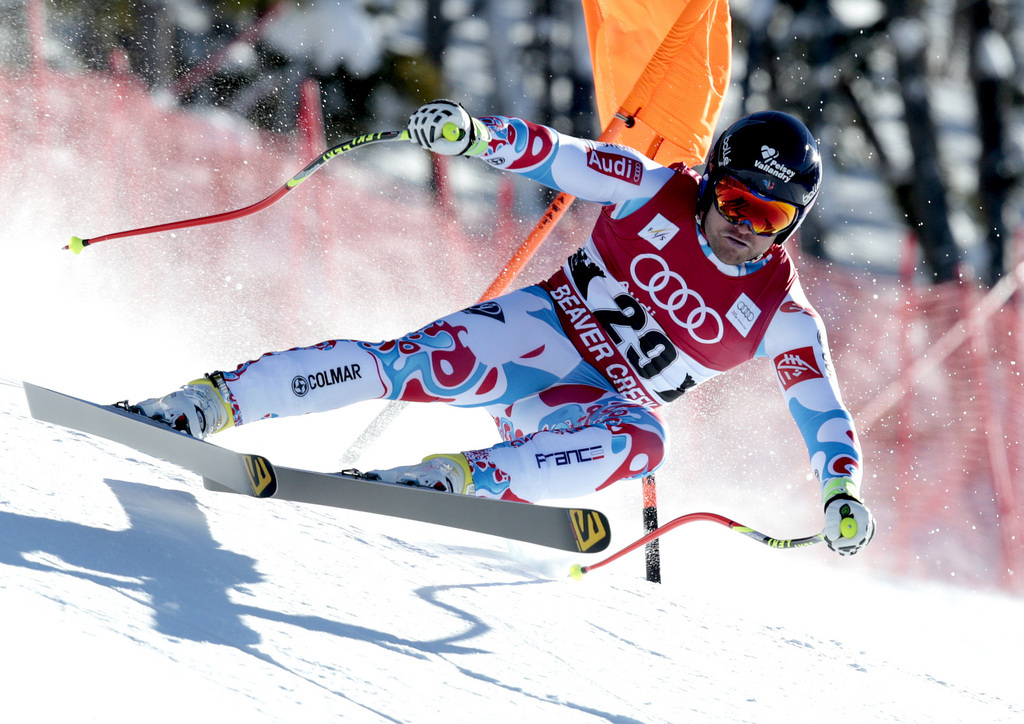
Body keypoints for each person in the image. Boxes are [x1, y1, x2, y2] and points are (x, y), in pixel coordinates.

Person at [130, 100, 876, 556]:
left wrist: (841, 492)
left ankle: (464, 479)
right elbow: (562, 157)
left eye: (771, 217)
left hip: (581, 409)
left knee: (649, 444)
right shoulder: (654, 189)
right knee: (406, 364)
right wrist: (474, 137)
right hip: (534, 338)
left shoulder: (783, 314)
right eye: (739, 202)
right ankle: (207, 403)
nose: (746, 227)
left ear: (792, 226)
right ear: (713, 182)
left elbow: (822, 414)